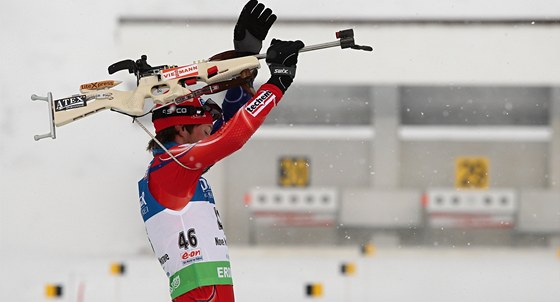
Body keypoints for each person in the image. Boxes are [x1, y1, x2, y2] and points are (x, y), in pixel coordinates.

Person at [137, 1, 305, 301]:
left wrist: (246, 60)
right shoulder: (175, 162)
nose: (209, 130)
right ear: (181, 129)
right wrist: (278, 82)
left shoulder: (174, 165)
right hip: (205, 294)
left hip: (206, 291)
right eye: (203, 125)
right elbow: (232, 135)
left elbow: (229, 126)